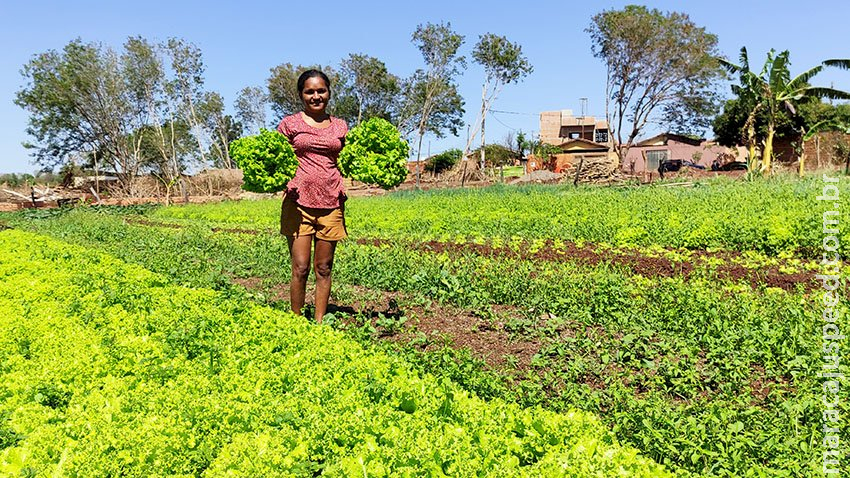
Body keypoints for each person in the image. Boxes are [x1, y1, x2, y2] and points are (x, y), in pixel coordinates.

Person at [277, 69, 348, 323]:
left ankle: (319, 323)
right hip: (298, 204)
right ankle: (296, 321)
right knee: (300, 267)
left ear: (328, 93)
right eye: (310, 91)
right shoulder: (289, 125)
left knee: (324, 268)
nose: (316, 96)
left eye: (321, 91)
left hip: (331, 203)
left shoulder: (340, 126)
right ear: (301, 95)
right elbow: (275, 157)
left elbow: (350, 159)